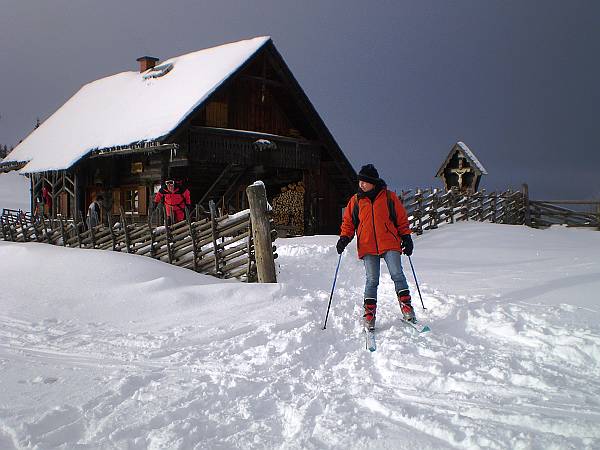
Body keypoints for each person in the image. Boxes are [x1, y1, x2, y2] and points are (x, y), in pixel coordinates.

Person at [336, 164, 415, 331]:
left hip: (389, 242)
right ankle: (369, 314)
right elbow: (348, 223)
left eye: (365, 181)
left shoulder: (389, 197)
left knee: (397, 274)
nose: (361, 184)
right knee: (372, 280)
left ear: (373, 182)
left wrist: (406, 238)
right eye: (360, 181)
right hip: (367, 244)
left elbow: (401, 219)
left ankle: (407, 308)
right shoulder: (356, 200)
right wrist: (344, 238)